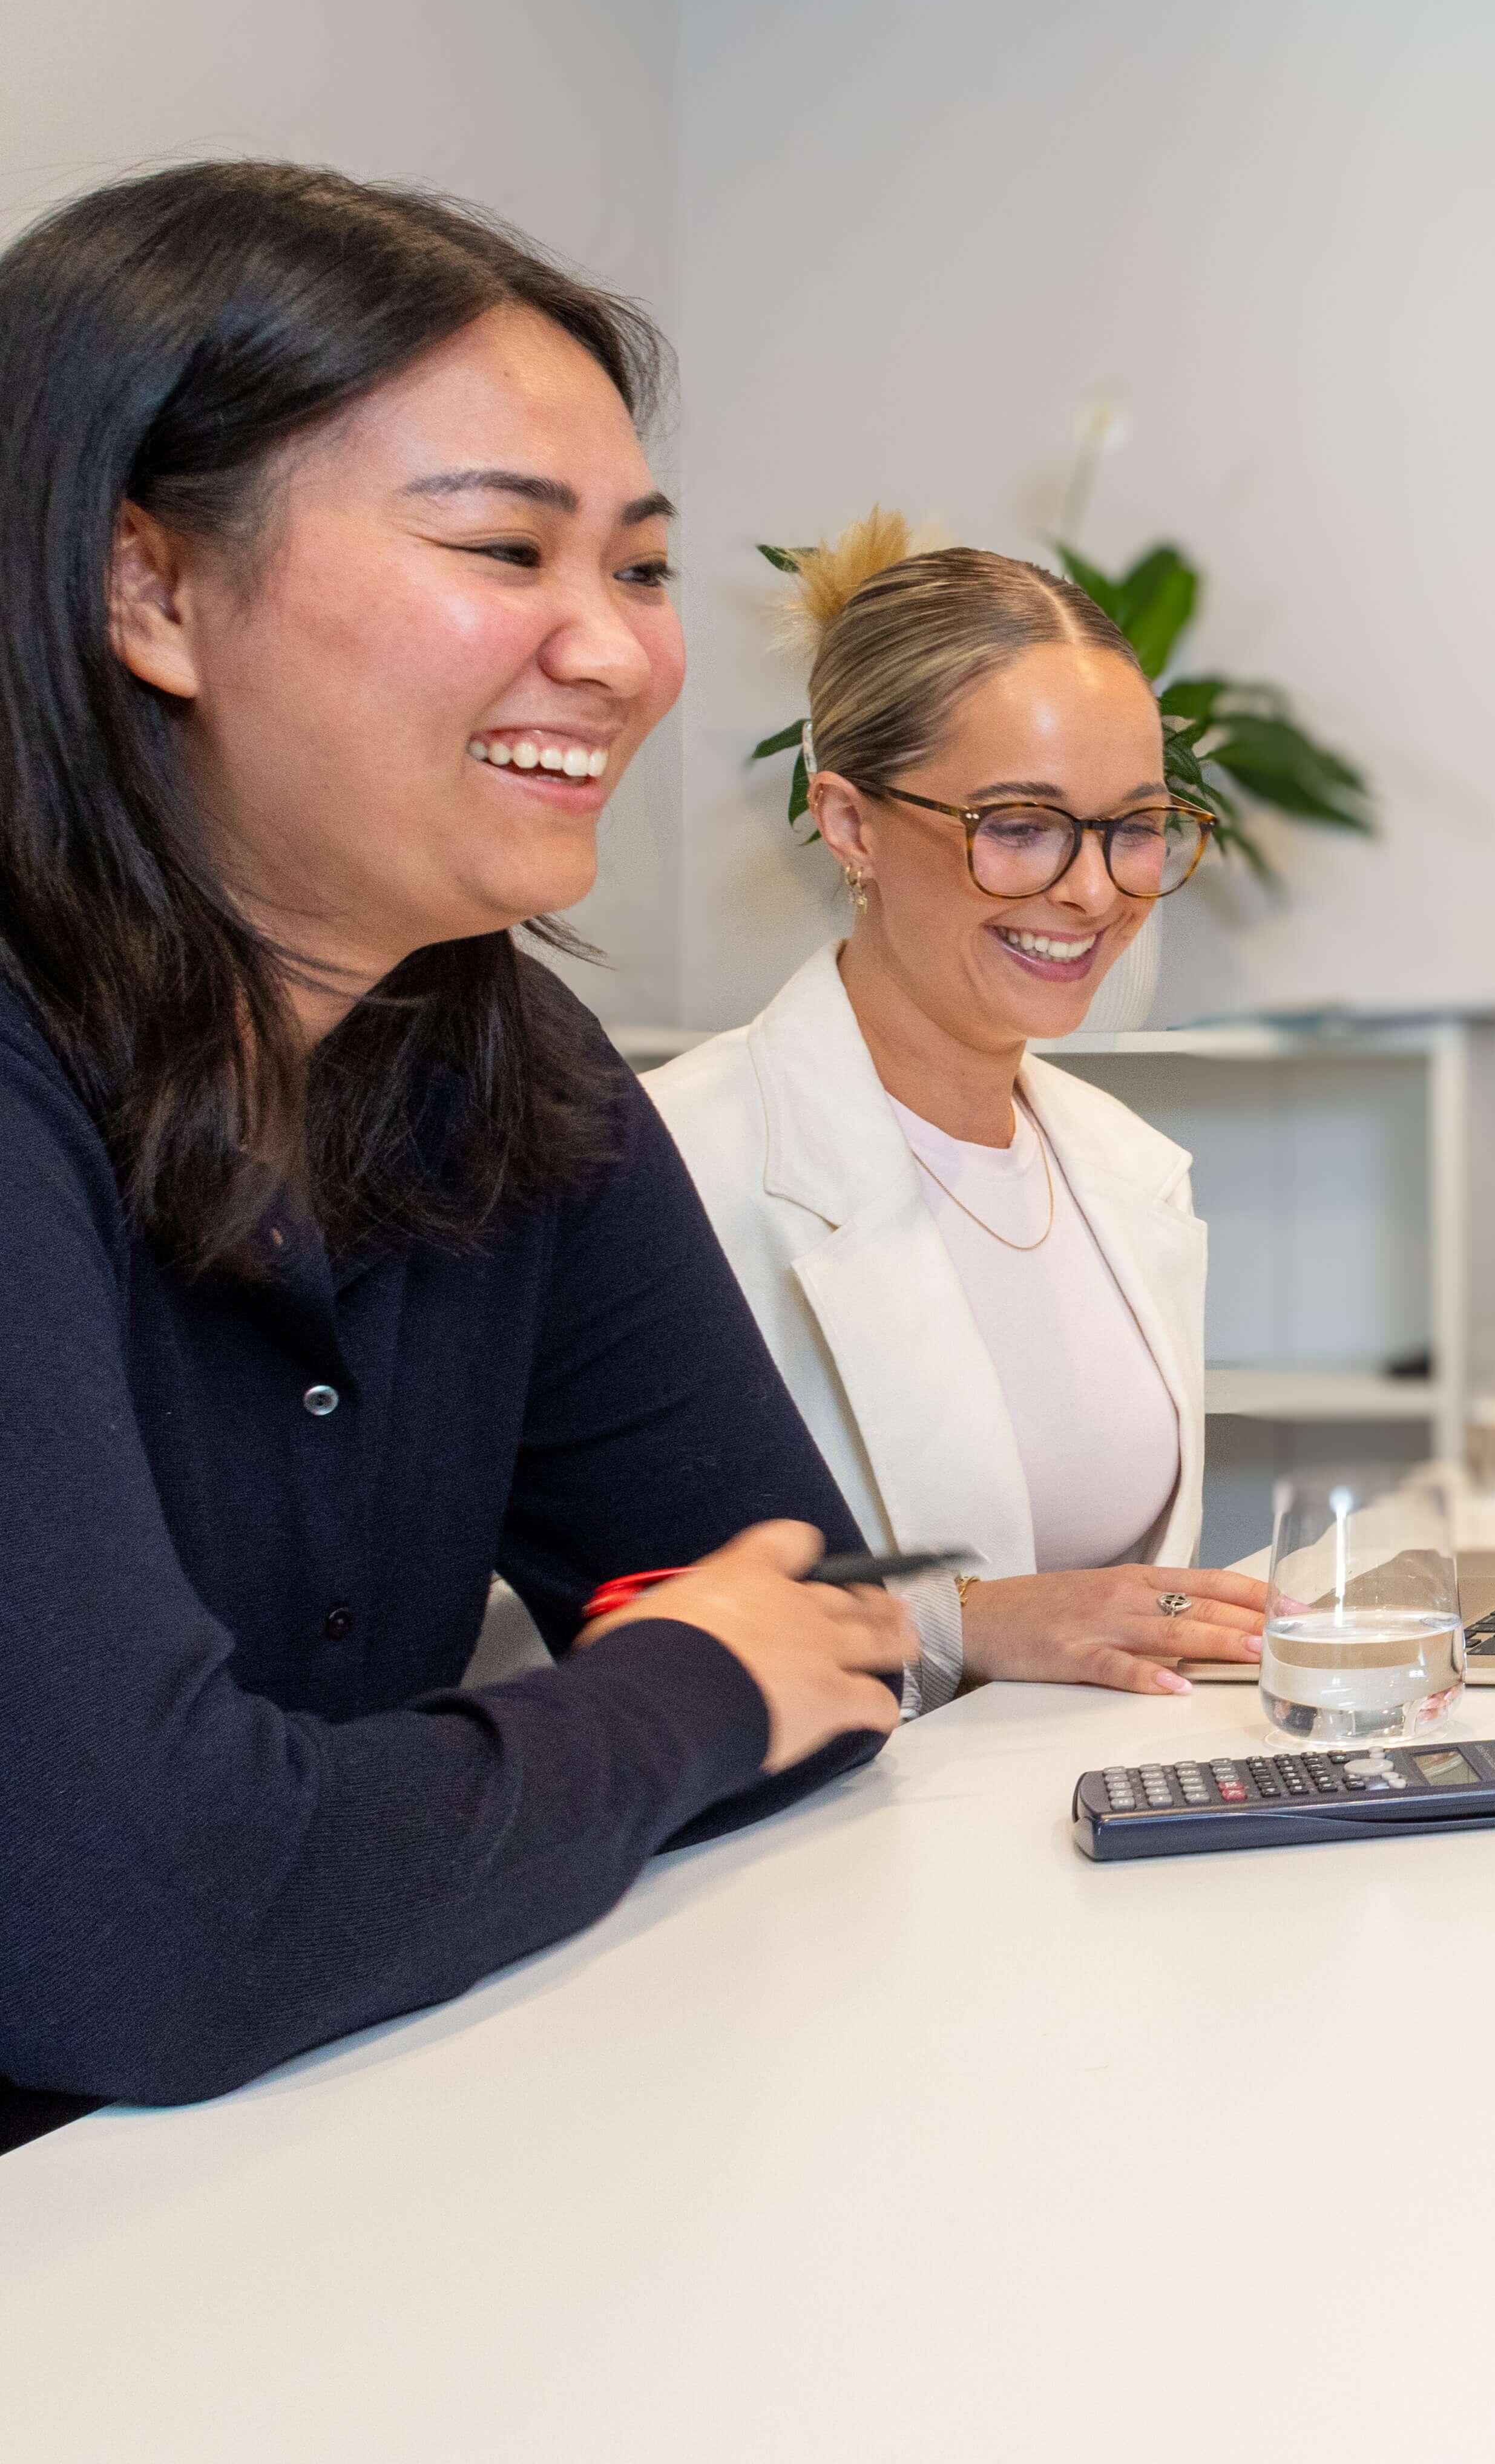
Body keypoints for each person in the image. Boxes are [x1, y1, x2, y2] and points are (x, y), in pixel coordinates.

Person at [0, 163, 915, 2126]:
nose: (621, 655)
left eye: (644, 569)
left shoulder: (499, 1057)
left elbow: (828, 1643)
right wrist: (681, 1690)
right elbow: (148, 1933)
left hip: (266, 2186)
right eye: (507, 551)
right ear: (146, 587)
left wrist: (357, 1825)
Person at [651, 513, 1269, 1699]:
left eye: (1135, 829)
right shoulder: (676, 1162)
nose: (1092, 891)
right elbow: (595, 1607)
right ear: (849, 824)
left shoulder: (1121, 1162)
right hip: (827, 1854)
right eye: (1020, 827)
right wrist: (955, 1621)